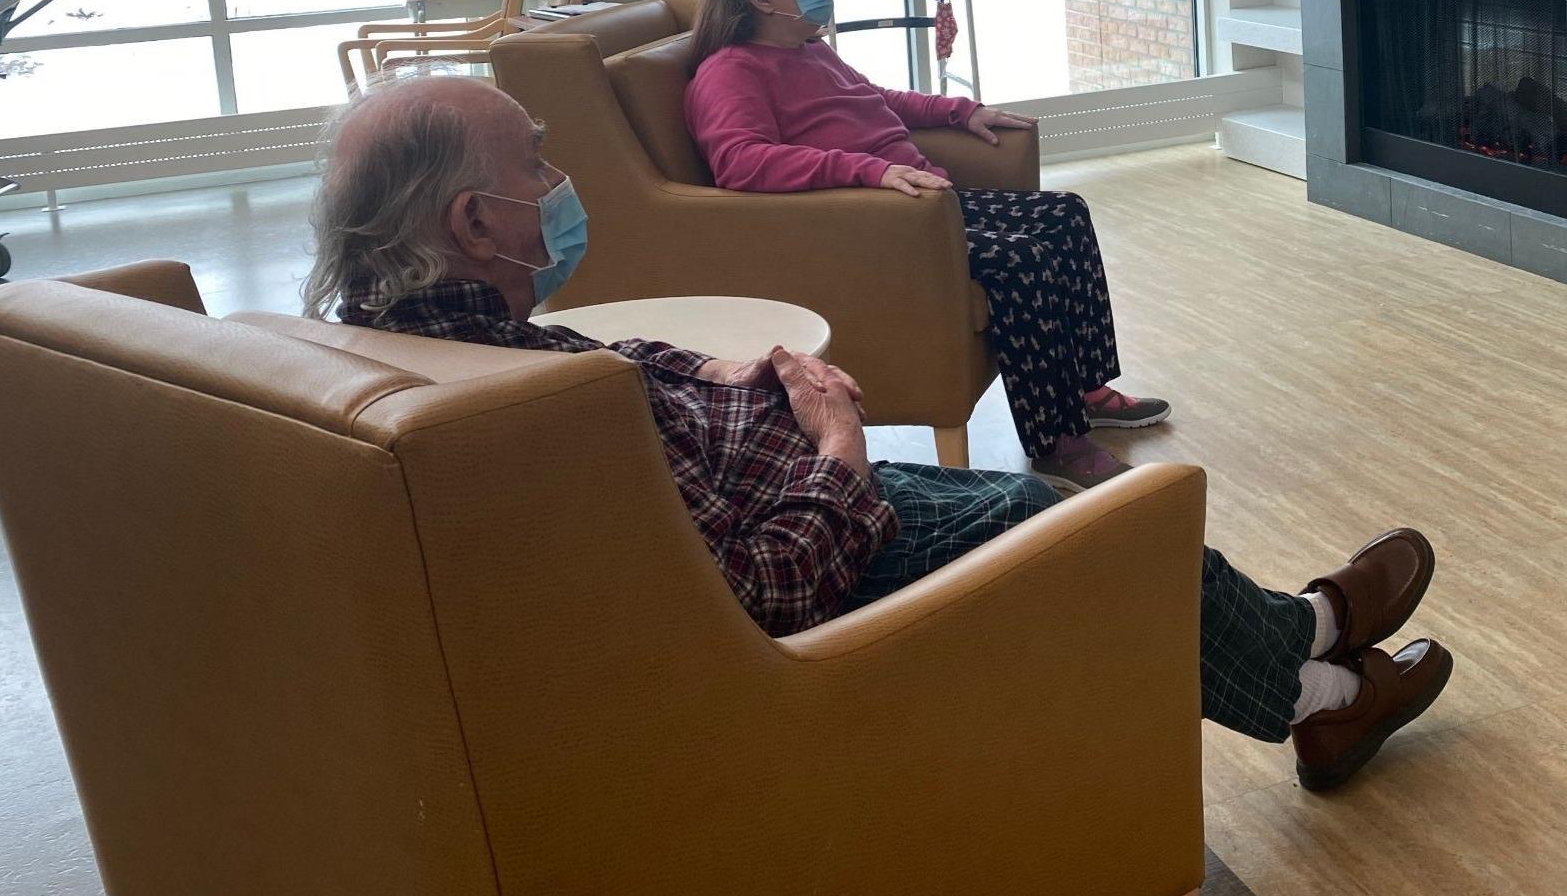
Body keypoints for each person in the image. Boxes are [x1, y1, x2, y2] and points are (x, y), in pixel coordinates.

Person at [302, 72, 1455, 792]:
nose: (559, 181)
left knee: (1071, 512)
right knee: (1083, 523)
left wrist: (726, 368)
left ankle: (1309, 651)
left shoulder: (419, 334)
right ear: (471, 218)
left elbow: (602, 370)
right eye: (535, 163)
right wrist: (839, 446)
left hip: (761, 476)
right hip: (810, 553)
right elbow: (762, 590)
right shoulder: (526, 417)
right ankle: (1316, 685)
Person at [684, 0, 1155, 493]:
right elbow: (742, 160)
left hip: (925, 205)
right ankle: (1056, 439)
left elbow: (874, 98)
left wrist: (960, 112)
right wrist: (871, 170)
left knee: (1065, 213)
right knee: (1021, 260)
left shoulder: (807, 51)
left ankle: (1085, 388)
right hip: (878, 227)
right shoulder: (729, 72)